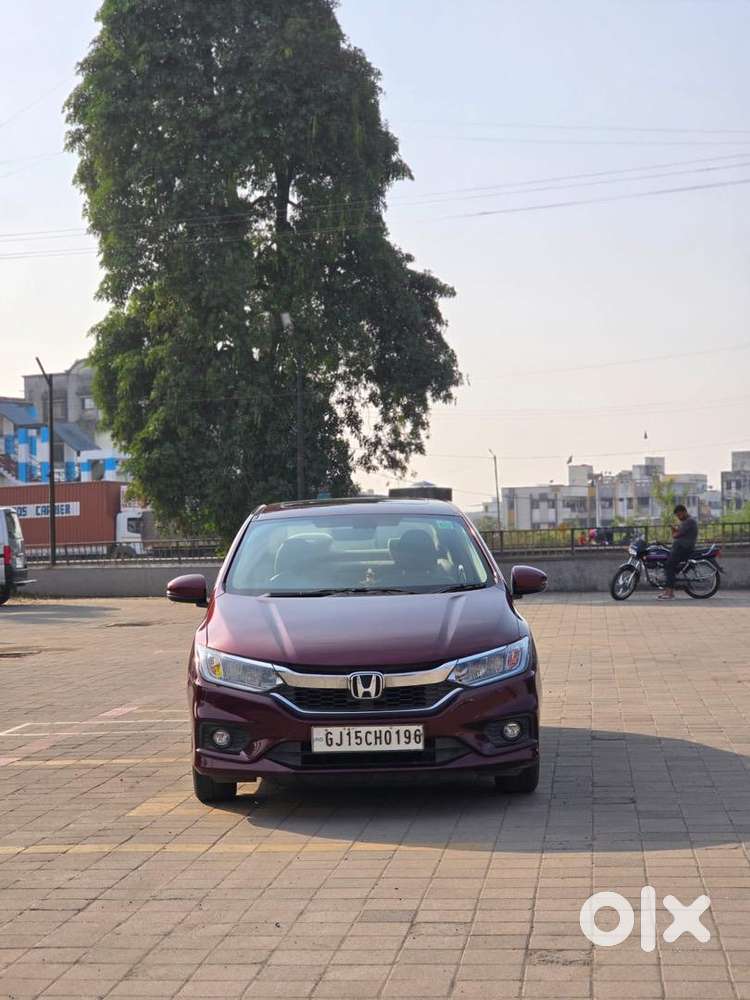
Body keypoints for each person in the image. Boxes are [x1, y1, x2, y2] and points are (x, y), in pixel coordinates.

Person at [659, 504, 698, 600]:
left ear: (684, 512)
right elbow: (680, 533)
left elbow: (676, 535)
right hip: (680, 548)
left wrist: (673, 531)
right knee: (666, 564)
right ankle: (667, 589)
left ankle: (670, 593)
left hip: (684, 549)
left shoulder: (689, 521)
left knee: (669, 566)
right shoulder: (686, 522)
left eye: (679, 515)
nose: (678, 517)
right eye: (677, 516)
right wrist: (674, 530)